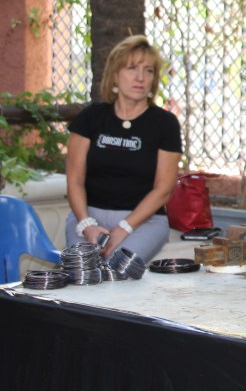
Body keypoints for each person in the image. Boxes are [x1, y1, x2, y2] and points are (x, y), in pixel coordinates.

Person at [65, 35, 183, 263]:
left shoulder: (164, 123)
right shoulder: (90, 118)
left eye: (148, 70)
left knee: (118, 268)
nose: (140, 77)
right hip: (88, 216)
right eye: (132, 68)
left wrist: (125, 227)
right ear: (115, 75)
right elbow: (74, 180)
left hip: (143, 220)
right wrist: (87, 225)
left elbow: (164, 189)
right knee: (82, 269)